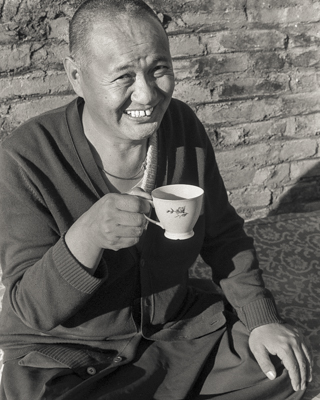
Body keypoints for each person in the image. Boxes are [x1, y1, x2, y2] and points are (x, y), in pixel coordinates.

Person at [0, 0, 312, 399]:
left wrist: (261, 318)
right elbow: (31, 309)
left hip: (176, 333)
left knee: (281, 367)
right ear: (76, 76)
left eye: (158, 69)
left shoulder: (181, 127)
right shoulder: (27, 158)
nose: (146, 94)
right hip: (72, 353)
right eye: (123, 76)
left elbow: (223, 235)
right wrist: (88, 236)